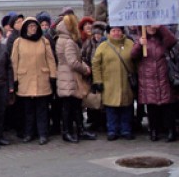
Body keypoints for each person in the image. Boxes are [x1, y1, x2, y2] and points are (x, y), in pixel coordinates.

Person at [11, 17, 57, 145]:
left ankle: (43, 134)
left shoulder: (44, 41)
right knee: (28, 110)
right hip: (25, 80)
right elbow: (14, 62)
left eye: (35, 26)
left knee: (42, 109)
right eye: (30, 26)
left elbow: (50, 59)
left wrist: (53, 75)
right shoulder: (18, 42)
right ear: (25, 27)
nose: (33, 28)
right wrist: (14, 79)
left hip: (41, 79)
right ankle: (29, 133)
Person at [131, 25, 177, 142]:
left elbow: (172, 41)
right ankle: (154, 131)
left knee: (168, 107)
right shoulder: (140, 39)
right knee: (152, 108)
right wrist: (139, 44)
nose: (151, 28)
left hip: (164, 77)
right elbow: (133, 55)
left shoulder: (163, 39)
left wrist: (160, 27)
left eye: (153, 25)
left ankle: (171, 131)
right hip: (148, 79)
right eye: (148, 26)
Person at [55, 14, 96, 143]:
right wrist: (85, 69)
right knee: (71, 106)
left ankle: (77, 130)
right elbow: (73, 61)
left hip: (65, 76)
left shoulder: (61, 39)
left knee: (72, 106)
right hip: (70, 78)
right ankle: (70, 131)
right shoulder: (68, 41)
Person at [92, 25, 135, 141]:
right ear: (109, 33)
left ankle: (126, 130)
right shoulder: (103, 46)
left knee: (126, 108)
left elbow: (136, 59)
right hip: (109, 83)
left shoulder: (129, 44)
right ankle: (112, 130)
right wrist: (98, 81)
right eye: (113, 31)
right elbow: (96, 65)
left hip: (126, 82)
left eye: (118, 30)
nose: (116, 33)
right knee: (111, 109)